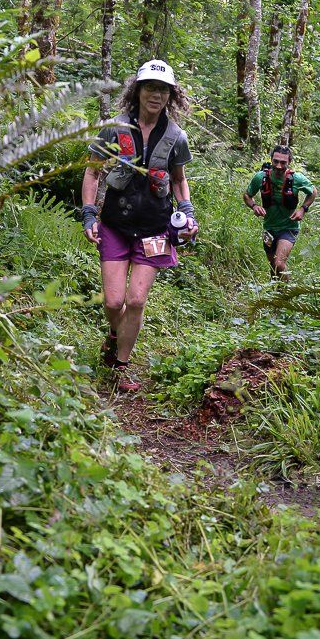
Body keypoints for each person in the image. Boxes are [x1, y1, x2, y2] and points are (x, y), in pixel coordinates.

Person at [81, 60, 198, 392]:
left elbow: (178, 180)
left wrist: (187, 211)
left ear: (170, 96)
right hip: (115, 225)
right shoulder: (114, 128)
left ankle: (121, 366)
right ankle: (115, 334)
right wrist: (89, 212)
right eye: (150, 88)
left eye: (163, 90)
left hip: (156, 229)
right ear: (138, 90)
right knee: (113, 302)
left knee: (135, 301)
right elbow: (92, 172)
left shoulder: (175, 136)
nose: (156, 96)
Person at [243, 145, 317, 280]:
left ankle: (287, 297)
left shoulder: (297, 179)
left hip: (289, 228)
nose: (278, 165)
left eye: (283, 162)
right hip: (268, 229)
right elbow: (247, 195)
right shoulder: (260, 177)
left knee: (279, 264)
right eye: (275, 161)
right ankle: (275, 294)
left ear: (289, 162)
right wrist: (254, 206)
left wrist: (303, 209)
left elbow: (313, 192)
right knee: (272, 266)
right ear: (271, 160)